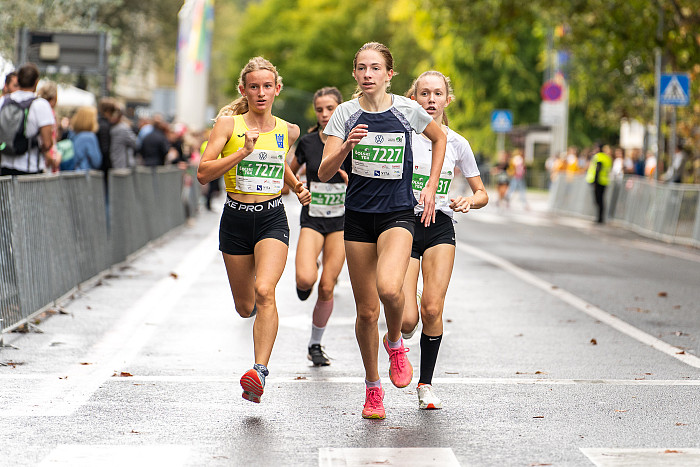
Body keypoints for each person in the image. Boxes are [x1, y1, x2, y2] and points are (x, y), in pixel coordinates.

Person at [319, 42, 446, 420]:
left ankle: (395, 344)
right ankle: (373, 388)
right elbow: (325, 171)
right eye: (361, 68)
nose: (368, 74)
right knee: (365, 311)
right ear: (355, 74)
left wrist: (429, 185)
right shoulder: (344, 114)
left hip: (397, 214)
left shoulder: (407, 110)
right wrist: (346, 147)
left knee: (390, 288)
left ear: (390, 74)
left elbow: (439, 139)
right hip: (358, 217)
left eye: (376, 68)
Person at [196, 56, 311, 404]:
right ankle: (258, 320)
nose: (261, 93)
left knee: (266, 290)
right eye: (254, 87)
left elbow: (276, 162)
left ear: (277, 89)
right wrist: (241, 153)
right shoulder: (228, 125)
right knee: (245, 306)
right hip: (235, 218)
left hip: (272, 217)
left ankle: (259, 371)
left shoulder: (288, 131)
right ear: (244, 90)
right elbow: (203, 172)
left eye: (267, 86)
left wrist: (295, 184)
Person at [400, 70, 488, 410]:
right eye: (424, 94)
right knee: (408, 320)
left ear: (446, 100)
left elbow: (482, 193)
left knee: (432, 308)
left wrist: (469, 200)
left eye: (437, 94)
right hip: (404, 225)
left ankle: (425, 385)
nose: (431, 100)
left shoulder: (457, 143)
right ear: (414, 98)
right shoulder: (403, 135)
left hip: (440, 226)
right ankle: (398, 340)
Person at [288, 86, 347, 367]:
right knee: (305, 281)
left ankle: (315, 345)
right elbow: (287, 169)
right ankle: (304, 282)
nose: (325, 114)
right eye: (320, 109)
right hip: (312, 220)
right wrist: (298, 187)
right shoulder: (309, 143)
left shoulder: (354, 140)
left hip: (342, 224)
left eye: (330, 109)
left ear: (340, 109)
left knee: (326, 287)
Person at [0, 63, 56, 175]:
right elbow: (47, 143)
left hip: (5, 166)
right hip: (29, 168)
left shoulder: (3, 101)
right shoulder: (40, 105)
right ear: (36, 82)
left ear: (18, 80)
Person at [36, 81, 61, 172]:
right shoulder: (47, 112)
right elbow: (46, 140)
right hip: (47, 159)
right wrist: (49, 156)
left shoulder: (37, 108)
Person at [69, 106, 103, 171]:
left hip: (73, 172)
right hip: (85, 173)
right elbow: (96, 161)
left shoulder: (72, 135)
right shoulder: (90, 137)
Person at [586, 144, 612, 223]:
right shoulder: (607, 157)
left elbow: (598, 169)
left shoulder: (598, 157)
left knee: (598, 200)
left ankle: (600, 218)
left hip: (598, 181)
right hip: (604, 181)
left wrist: (595, 181)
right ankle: (600, 217)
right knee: (601, 200)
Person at [109, 105, 138, 169]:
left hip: (116, 162)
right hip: (122, 164)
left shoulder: (112, 127)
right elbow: (135, 143)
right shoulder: (123, 128)